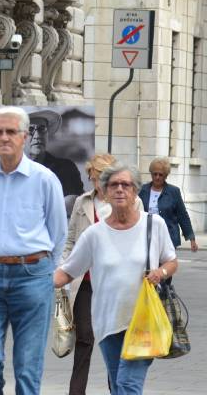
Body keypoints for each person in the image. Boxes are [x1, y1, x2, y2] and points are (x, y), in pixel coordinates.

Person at [55, 163, 178, 395]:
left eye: (126, 185)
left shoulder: (153, 225)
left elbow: (171, 261)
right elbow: (67, 271)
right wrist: (34, 283)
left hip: (144, 320)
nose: (120, 189)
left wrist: (160, 273)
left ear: (135, 191)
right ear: (105, 191)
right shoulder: (94, 234)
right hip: (108, 322)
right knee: (118, 384)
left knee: (127, 384)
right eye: (114, 185)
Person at [0, 106, 67, 395]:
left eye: (11, 131)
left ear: (24, 136)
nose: (4, 137)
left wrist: (45, 271)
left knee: (27, 367)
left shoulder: (44, 179)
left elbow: (58, 232)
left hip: (32, 276)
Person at [62, 154, 143, 395]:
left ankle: (115, 387)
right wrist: (63, 268)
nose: (96, 182)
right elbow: (71, 240)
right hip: (85, 282)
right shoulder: (82, 202)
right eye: (93, 177)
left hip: (117, 284)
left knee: (115, 338)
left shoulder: (132, 202)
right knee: (85, 338)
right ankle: (76, 391)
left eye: (100, 177)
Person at [139, 157, 198, 256]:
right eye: (155, 174)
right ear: (151, 174)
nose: (157, 177)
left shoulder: (173, 192)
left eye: (160, 175)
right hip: (147, 236)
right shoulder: (142, 190)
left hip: (168, 237)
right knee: (149, 264)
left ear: (166, 176)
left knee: (166, 264)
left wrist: (191, 239)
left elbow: (182, 216)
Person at [25, 110, 84, 207]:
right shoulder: (10, 172)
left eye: (42, 129)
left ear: (47, 134)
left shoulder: (66, 168)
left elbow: (75, 203)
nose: (37, 136)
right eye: (30, 130)